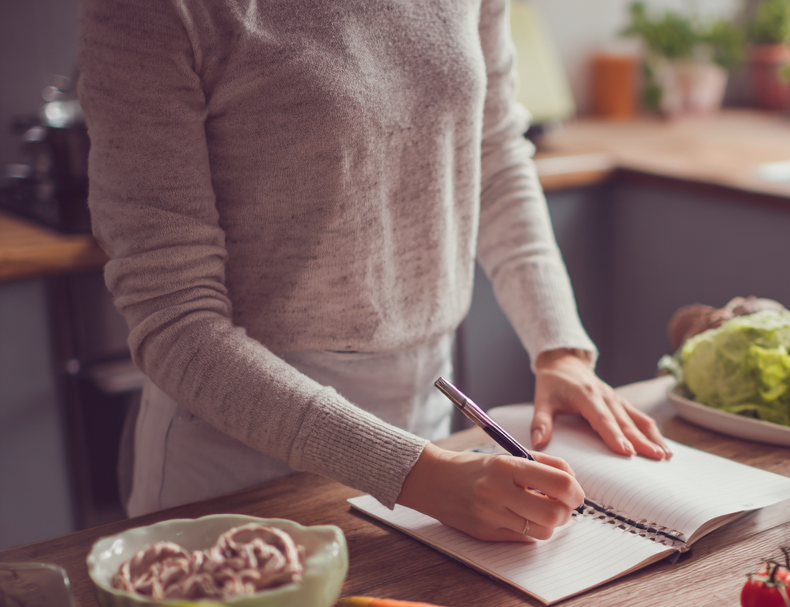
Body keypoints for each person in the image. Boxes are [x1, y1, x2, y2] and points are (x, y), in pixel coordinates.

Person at [77, 0, 668, 542]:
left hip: (432, 432)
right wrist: (419, 475)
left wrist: (559, 348)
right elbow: (175, 320)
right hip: (242, 458)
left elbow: (492, 154)